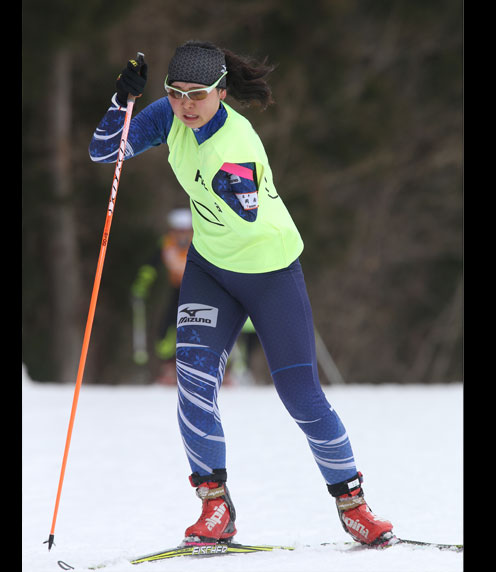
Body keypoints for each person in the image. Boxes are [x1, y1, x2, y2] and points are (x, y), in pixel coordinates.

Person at [88, 41, 394, 547]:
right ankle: (215, 507)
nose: (186, 104)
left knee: (301, 396)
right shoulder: (168, 115)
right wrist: (124, 104)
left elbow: (246, 213)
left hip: (270, 272)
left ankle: (353, 504)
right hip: (210, 270)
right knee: (193, 385)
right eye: (176, 92)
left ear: (222, 93)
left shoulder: (237, 145)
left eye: (198, 95)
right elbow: (105, 151)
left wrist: (230, 184)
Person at [131, 208, 194, 384]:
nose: (181, 235)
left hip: (196, 292)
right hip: (176, 290)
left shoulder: (199, 243)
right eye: (177, 231)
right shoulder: (166, 244)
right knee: (166, 330)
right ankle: (169, 367)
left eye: (185, 231)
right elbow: (150, 266)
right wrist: (141, 285)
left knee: (196, 328)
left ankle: (207, 369)